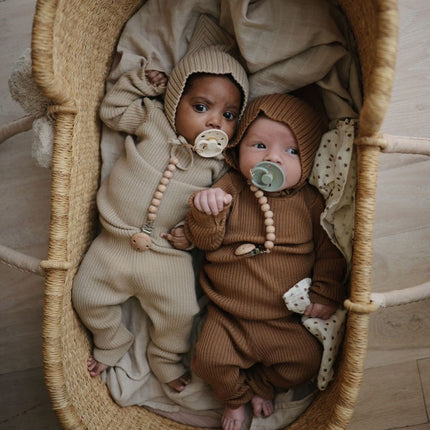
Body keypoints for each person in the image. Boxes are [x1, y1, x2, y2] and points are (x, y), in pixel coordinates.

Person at [71, 41, 249, 394]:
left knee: (182, 313)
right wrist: (143, 82)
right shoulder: (153, 119)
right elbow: (112, 111)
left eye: (229, 115)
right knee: (85, 296)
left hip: (167, 255)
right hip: (114, 243)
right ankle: (112, 339)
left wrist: (191, 234)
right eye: (201, 107)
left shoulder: (220, 164)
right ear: (175, 101)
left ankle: (165, 356)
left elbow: (219, 212)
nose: (215, 121)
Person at [182, 93, 346, 430]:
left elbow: (330, 252)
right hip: (227, 316)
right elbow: (204, 242)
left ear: (309, 161)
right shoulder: (229, 188)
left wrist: (326, 292)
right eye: (258, 145)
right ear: (237, 147)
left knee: (305, 362)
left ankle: (262, 386)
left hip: (282, 320)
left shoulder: (311, 203)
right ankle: (235, 397)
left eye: (292, 151)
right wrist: (205, 209)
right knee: (208, 361)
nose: (273, 157)